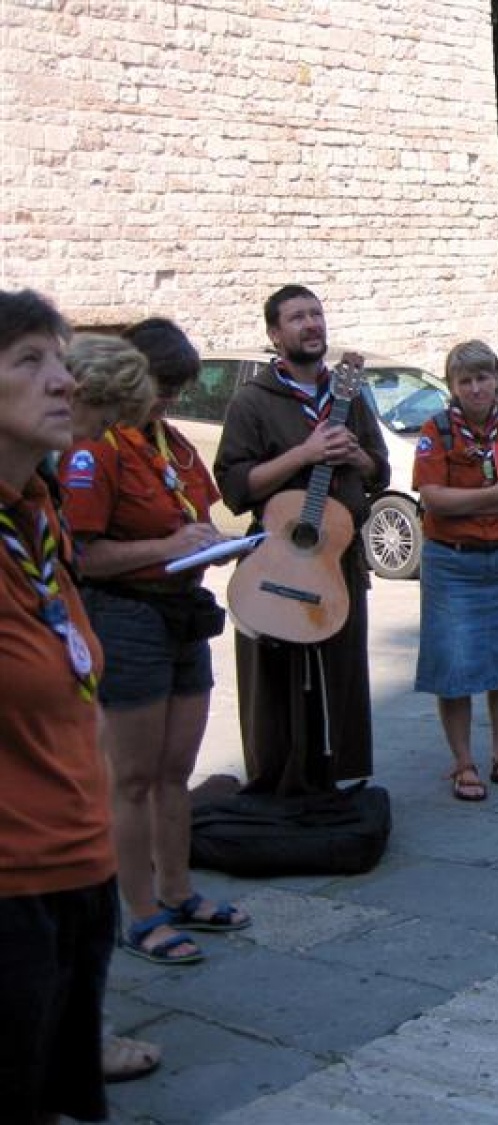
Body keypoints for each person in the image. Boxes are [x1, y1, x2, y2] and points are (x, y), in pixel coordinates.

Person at [61, 319, 251, 967]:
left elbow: (198, 513)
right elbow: (83, 556)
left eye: (176, 387)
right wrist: (168, 548)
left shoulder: (170, 444)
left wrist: (213, 545)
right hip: (127, 615)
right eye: (162, 384)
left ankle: (177, 888)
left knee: (176, 770)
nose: (168, 398)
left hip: (181, 613)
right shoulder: (97, 447)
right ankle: (139, 912)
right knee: (133, 776)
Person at [0, 289, 115, 1122]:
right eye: (29, 361)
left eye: (60, 358)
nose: (62, 380)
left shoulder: (38, 515)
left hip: (81, 868)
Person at [214, 285, 391, 795]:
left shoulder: (348, 396)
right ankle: (277, 784)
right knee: (276, 682)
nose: (312, 324)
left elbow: (378, 470)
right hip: (278, 561)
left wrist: (359, 459)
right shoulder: (252, 402)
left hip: (338, 560)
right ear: (275, 334)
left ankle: (336, 779)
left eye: (317, 314)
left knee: (341, 675)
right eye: (297, 317)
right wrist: (305, 453)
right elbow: (234, 487)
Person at [60, 333, 164, 1082]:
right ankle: (76, 1040)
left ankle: (79, 1031)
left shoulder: (41, 476)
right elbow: (82, 555)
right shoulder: (68, 460)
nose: (95, 435)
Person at [412, 340, 498, 800]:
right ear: (452, 387)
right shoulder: (437, 430)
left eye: (482, 378)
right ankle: (463, 763)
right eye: (464, 381)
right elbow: (433, 497)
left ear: (496, 380)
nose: (475, 387)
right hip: (454, 561)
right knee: (456, 664)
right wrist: (492, 497)